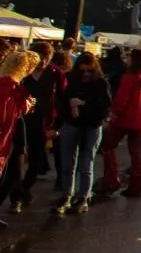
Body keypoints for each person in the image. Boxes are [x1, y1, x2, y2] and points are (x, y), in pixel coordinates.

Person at [51, 50, 112, 216]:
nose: (85, 74)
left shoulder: (100, 83)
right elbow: (62, 104)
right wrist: (56, 126)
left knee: (86, 164)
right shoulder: (72, 80)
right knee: (67, 164)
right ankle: (66, 196)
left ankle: (83, 197)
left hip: (91, 125)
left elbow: (105, 106)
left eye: (89, 71)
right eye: (82, 70)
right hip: (71, 124)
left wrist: (84, 103)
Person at [98, 47, 141, 200]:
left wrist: (113, 114)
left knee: (107, 146)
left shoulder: (130, 77)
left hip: (125, 119)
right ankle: (136, 185)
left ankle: (111, 179)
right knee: (135, 153)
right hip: (140, 120)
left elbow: (122, 99)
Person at [9, 43, 56, 211]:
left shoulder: (54, 74)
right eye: (40, 57)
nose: (43, 61)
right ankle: (16, 197)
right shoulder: (23, 74)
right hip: (21, 120)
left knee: (37, 159)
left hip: (42, 122)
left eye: (47, 58)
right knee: (17, 159)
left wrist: (55, 125)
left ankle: (23, 189)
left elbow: (59, 99)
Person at [0, 48, 40, 222]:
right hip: (3, 139)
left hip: (7, 138)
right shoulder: (9, 87)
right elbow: (4, 116)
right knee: (13, 173)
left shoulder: (11, 86)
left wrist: (24, 106)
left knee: (13, 173)